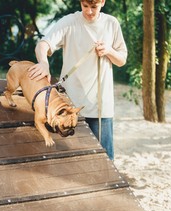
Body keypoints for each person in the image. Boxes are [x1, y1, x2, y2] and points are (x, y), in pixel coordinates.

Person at [28, 0, 127, 160]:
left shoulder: (111, 23)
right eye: (85, 6)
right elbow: (43, 44)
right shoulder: (69, 22)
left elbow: (121, 60)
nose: (89, 11)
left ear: (102, 2)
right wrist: (43, 63)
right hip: (68, 106)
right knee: (71, 162)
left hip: (101, 106)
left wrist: (109, 50)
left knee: (105, 160)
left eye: (93, 7)